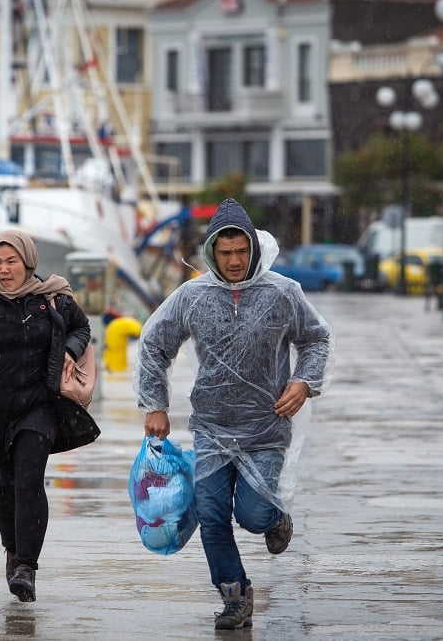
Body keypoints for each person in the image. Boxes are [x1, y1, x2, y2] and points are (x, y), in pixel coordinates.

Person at [134, 199, 334, 630]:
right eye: (224, 253)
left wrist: (304, 382)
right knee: (211, 515)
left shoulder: (282, 293)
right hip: (211, 427)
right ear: (211, 252)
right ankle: (234, 596)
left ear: (253, 249)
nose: (234, 261)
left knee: (253, 515)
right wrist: (155, 404)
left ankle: (275, 518)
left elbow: (316, 339)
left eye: (241, 251)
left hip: (265, 428)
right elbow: (154, 344)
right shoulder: (192, 295)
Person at [0, 230, 100, 603]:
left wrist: (70, 351)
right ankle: (11, 548)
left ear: (28, 263)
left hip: (37, 408)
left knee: (28, 482)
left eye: (11, 262)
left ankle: (26, 566)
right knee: (3, 489)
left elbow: (81, 327)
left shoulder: (53, 298)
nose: (4, 269)